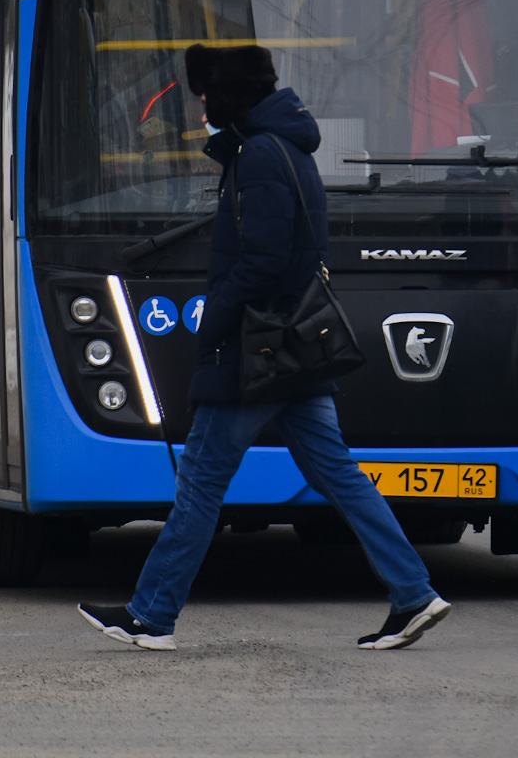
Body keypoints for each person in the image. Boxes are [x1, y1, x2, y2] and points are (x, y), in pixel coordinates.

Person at [78, 44, 453, 652]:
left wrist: (213, 323)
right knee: (341, 476)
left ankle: (151, 615)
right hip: (296, 350)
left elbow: (262, 264)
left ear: (228, 97)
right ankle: (413, 592)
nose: (200, 106)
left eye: (206, 96)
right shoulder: (289, 151)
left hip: (256, 352)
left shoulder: (259, 158)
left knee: (200, 482)